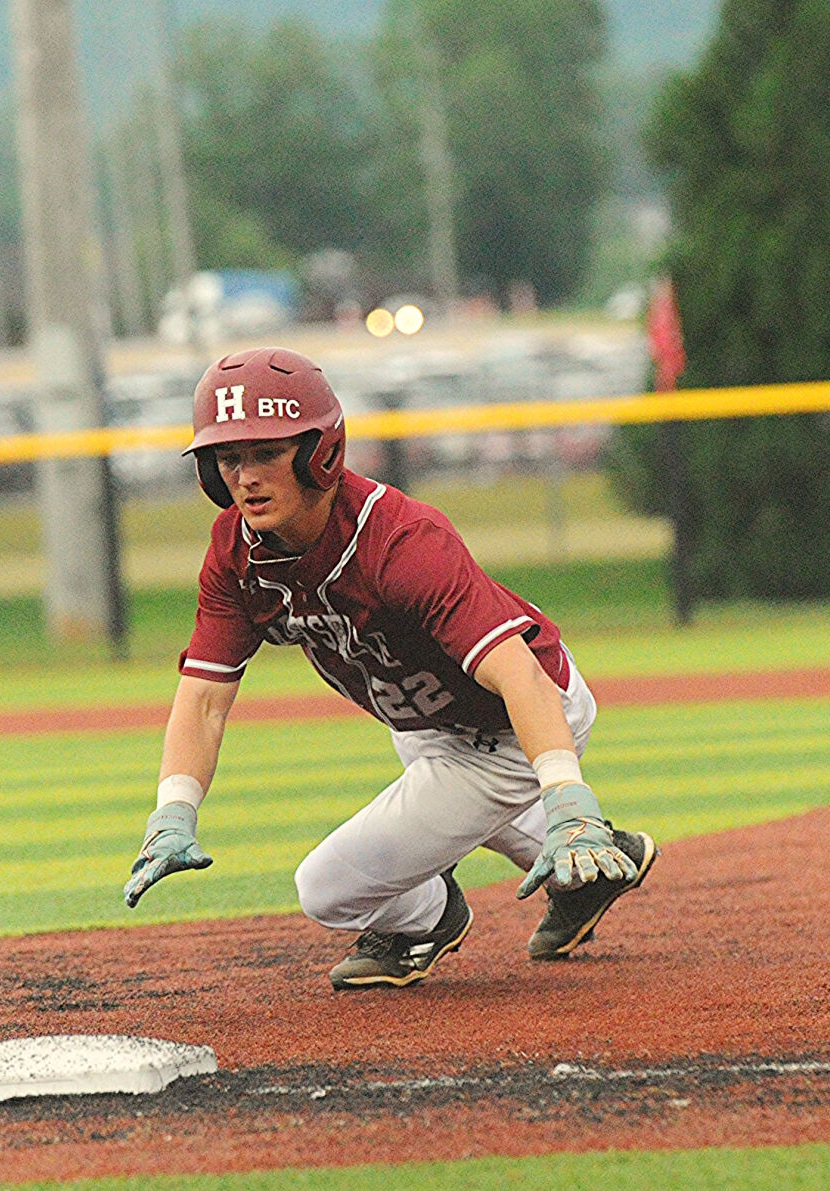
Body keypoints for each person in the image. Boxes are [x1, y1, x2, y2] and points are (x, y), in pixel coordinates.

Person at [122, 347, 657, 990]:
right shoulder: (234, 552)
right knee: (447, 799)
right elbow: (205, 697)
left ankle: (426, 920)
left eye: (266, 453)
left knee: (327, 888)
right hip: (423, 716)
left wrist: (570, 799)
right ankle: (603, 869)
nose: (245, 476)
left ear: (319, 452)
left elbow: (518, 675)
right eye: (229, 457)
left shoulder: (402, 542)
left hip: (514, 716)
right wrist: (172, 812)